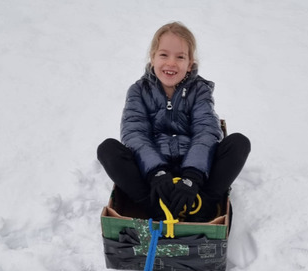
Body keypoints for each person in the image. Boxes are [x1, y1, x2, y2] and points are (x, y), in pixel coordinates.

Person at [97, 22, 250, 222]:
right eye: (163, 55)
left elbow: (206, 131)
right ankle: (152, 206)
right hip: (152, 174)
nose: (171, 63)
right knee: (108, 149)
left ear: (190, 63)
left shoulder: (199, 90)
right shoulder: (138, 91)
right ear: (152, 58)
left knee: (238, 143)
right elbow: (135, 134)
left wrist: (192, 175)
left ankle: (204, 203)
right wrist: (156, 172)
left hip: (196, 171)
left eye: (180, 57)